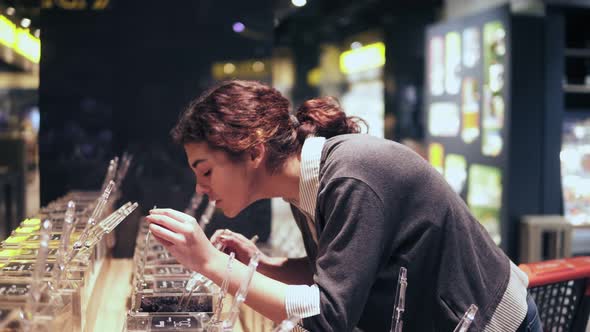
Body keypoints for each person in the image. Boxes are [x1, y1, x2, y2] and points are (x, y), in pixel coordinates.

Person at [146, 80, 541, 331]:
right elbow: (333, 277)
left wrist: (211, 264)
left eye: (205, 170)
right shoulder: (307, 182)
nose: (200, 188)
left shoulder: (351, 178)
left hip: (489, 323)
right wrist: (260, 267)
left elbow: (328, 316)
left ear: (252, 152)